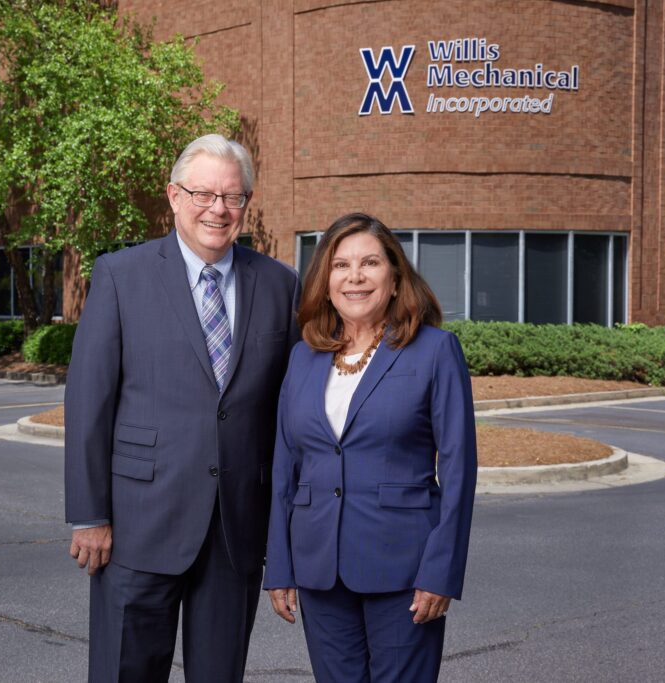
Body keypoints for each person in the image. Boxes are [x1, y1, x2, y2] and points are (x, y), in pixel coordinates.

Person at [64, 134, 300, 683]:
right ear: (173, 196)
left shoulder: (279, 285)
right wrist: (89, 514)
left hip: (236, 529)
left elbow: (291, 412)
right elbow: (88, 403)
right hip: (137, 523)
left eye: (233, 197)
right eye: (203, 194)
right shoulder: (122, 276)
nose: (218, 209)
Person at [263, 212, 477, 682]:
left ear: (396, 278)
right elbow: (285, 467)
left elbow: (459, 469)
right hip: (319, 569)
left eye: (370, 263)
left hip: (404, 570)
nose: (354, 277)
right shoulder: (303, 356)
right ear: (326, 280)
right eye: (340, 266)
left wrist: (441, 571)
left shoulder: (434, 351)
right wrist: (278, 565)